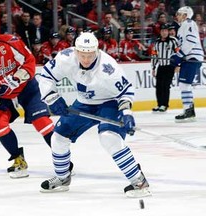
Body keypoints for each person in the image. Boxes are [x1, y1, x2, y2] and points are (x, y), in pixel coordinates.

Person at [37, 32, 151, 198]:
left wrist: (126, 113)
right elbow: (46, 76)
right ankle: (62, 178)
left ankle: (138, 181)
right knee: (58, 137)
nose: (86, 59)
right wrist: (51, 97)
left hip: (109, 102)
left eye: (90, 55)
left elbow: (125, 91)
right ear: (76, 51)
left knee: (108, 137)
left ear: (96, 51)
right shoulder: (65, 57)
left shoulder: (108, 68)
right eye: (83, 55)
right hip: (84, 102)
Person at [0, 17, 71, 179]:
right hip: (3, 94)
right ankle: (18, 159)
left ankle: (63, 159)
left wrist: (15, 79)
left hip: (27, 88)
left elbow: (29, 62)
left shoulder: (11, 42)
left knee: (42, 123)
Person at [170, 6, 204, 122]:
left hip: (192, 57)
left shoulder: (188, 23)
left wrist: (179, 56)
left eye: (179, 14)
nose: (177, 16)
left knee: (184, 84)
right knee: (184, 84)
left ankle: (188, 110)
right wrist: (178, 55)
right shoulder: (183, 26)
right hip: (189, 57)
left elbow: (190, 40)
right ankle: (189, 109)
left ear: (185, 15)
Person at [151, 24, 178, 113]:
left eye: (166, 31)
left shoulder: (173, 41)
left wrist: (178, 65)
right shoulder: (157, 42)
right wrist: (154, 67)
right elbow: (154, 55)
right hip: (161, 66)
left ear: (168, 32)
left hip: (170, 66)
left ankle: (164, 105)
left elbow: (178, 53)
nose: (164, 32)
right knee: (159, 86)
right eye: (162, 31)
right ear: (160, 32)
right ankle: (159, 104)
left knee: (166, 86)